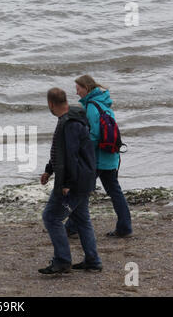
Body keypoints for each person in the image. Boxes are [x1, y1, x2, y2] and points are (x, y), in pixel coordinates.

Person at [38, 87, 102, 274]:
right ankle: (93, 260)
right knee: (82, 219)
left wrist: (67, 184)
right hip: (84, 178)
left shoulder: (70, 123)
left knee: (51, 217)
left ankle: (63, 260)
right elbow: (61, 151)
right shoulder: (70, 118)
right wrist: (49, 170)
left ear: (51, 104)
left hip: (75, 181)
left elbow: (71, 156)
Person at [65, 75, 133, 238]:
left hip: (97, 158)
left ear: (86, 88)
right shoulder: (103, 103)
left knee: (80, 190)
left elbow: (94, 135)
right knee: (113, 191)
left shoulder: (92, 107)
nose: (76, 92)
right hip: (109, 155)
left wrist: (81, 150)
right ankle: (125, 227)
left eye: (78, 88)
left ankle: (71, 227)